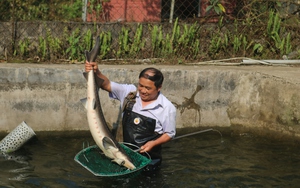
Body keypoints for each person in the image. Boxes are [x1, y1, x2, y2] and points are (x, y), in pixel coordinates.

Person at [85, 61, 176, 171]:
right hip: (122, 155)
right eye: (141, 85)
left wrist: (153, 143)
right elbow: (106, 84)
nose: (142, 91)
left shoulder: (167, 108)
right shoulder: (129, 94)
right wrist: (96, 71)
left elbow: (170, 134)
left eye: (148, 88)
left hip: (149, 161)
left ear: (159, 87)